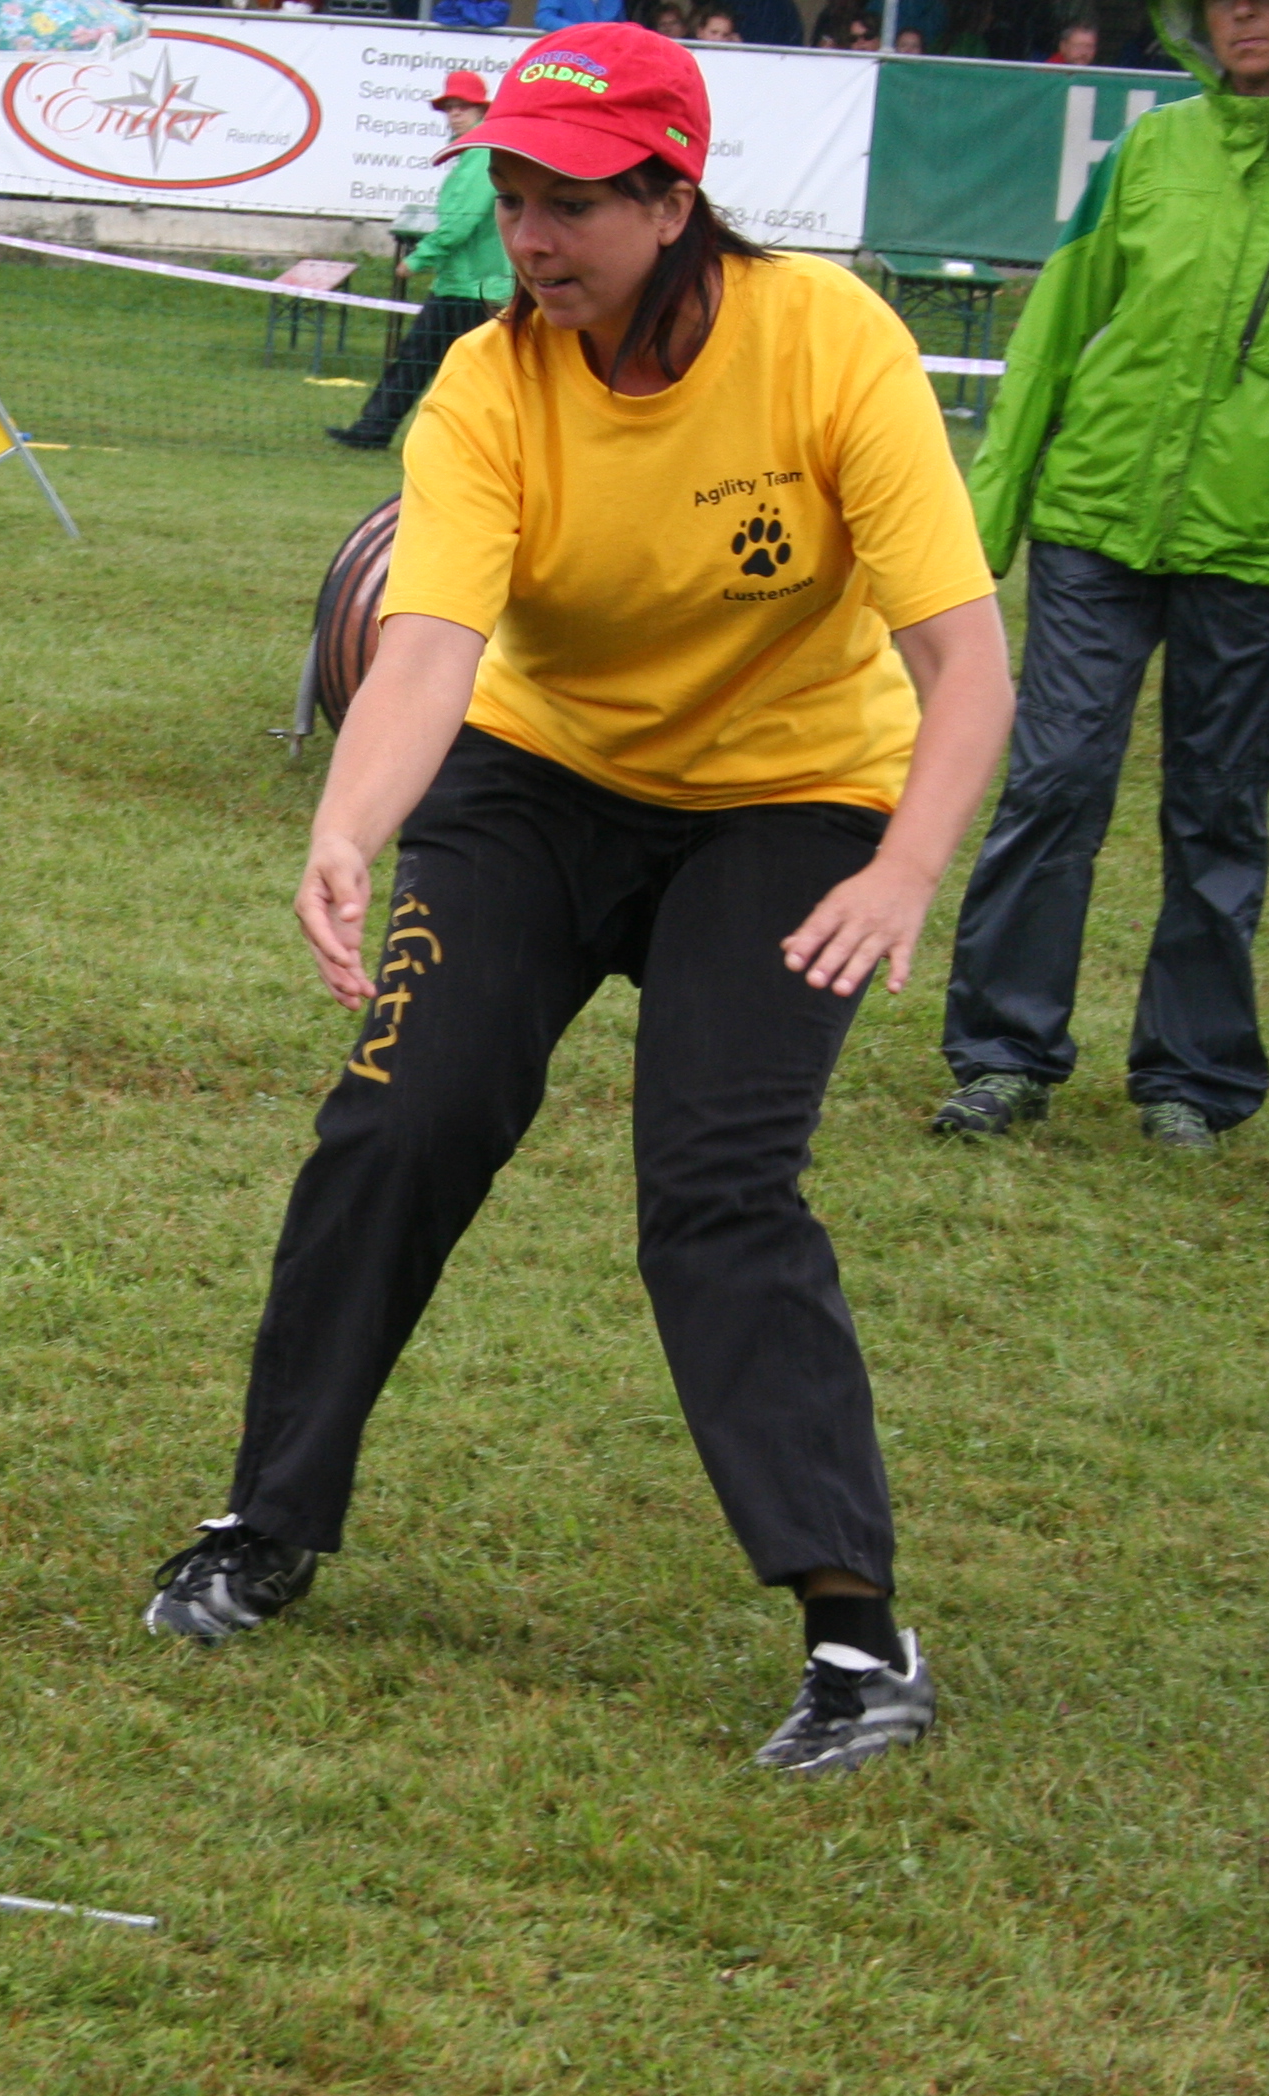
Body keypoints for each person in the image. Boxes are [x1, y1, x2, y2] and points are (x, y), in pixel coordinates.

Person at [143, 23, 1013, 1782]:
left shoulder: (828, 339)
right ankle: (267, 1518)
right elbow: (428, 651)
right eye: (515, 198)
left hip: (792, 799)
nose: (533, 240)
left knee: (717, 1183)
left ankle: (856, 1635)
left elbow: (965, 660)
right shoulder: (489, 383)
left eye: (574, 206)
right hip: (537, 784)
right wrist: (347, 825)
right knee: (399, 1120)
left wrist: (906, 868)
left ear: (675, 201)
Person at [937, 0, 1269, 1150]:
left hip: (1263, 544)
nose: (1239, 11)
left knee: (1219, 808)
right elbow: (1055, 325)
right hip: (1093, 522)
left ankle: (1191, 1079)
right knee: (1054, 780)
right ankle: (1002, 1058)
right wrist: (985, 520)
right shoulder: (1149, 146)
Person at [329, 72, 512, 450]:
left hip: (472, 287)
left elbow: (460, 223)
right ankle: (374, 429)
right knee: (428, 361)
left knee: (441, 365)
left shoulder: (480, 157)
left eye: (463, 107)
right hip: (467, 283)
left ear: (482, 110)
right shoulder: (476, 154)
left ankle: (379, 430)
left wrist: (418, 259)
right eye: (449, 107)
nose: (454, 114)